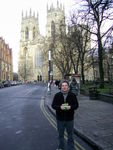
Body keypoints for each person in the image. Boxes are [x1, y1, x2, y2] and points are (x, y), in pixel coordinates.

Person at [51, 80, 79, 150]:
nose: (64, 87)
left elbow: (76, 105)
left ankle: (71, 148)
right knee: (60, 135)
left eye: (66, 85)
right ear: (60, 87)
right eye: (63, 86)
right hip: (60, 119)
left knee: (70, 135)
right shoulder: (57, 95)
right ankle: (61, 147)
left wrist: (70, 107)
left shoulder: (72, 95)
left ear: (68, 87)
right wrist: (60, 107)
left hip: (70, 119)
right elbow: (53, 105)